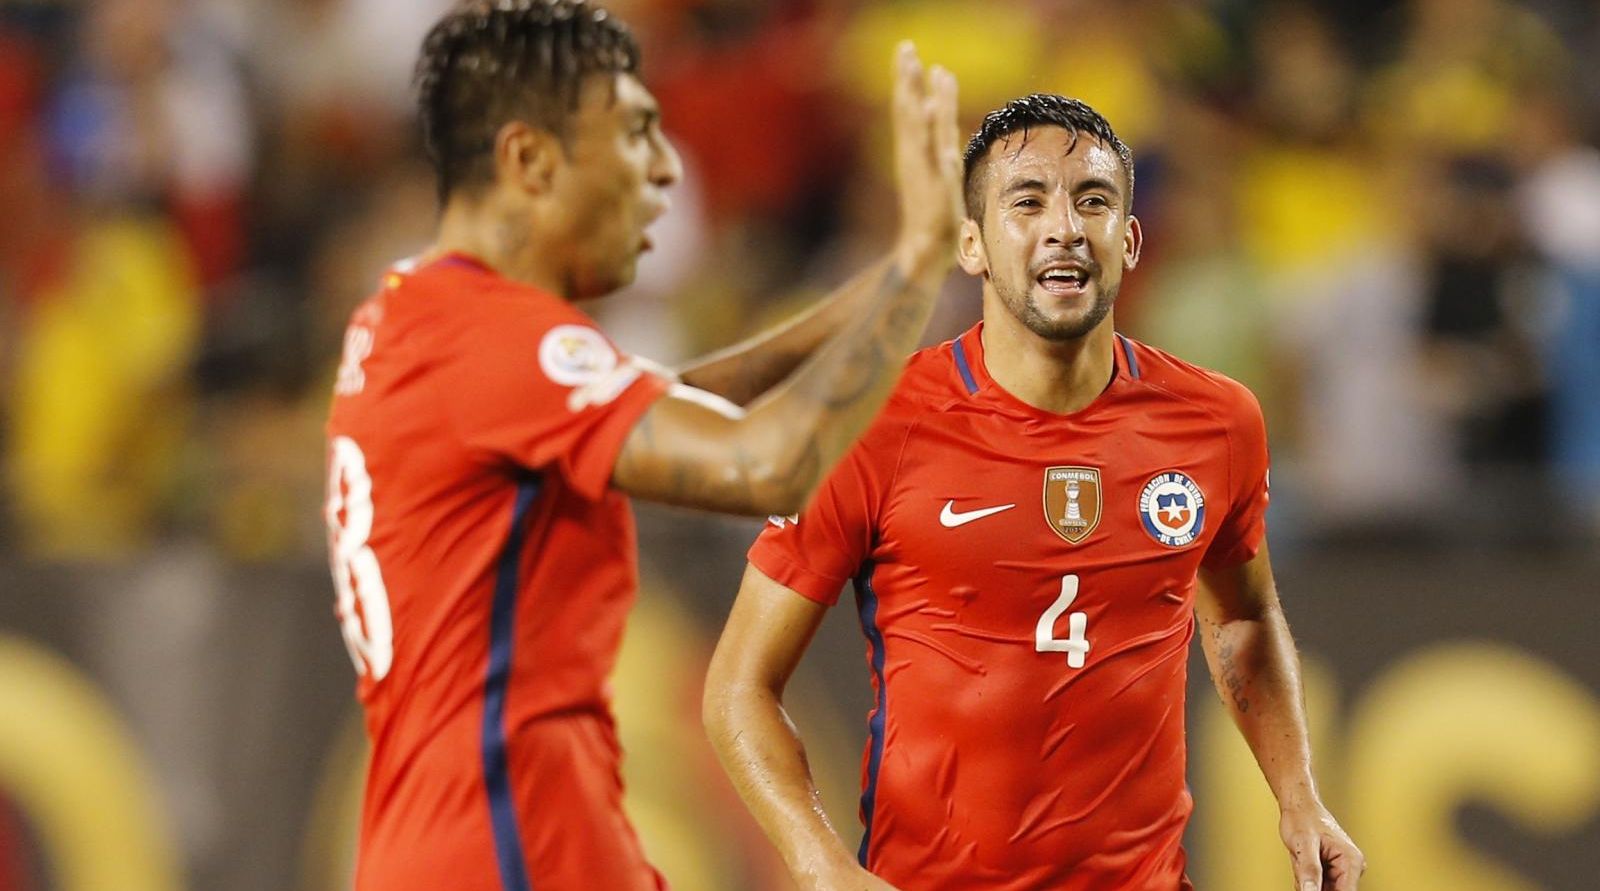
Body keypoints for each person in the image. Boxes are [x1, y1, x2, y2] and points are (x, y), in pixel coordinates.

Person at [322, 1, 963, 888]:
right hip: (507, 850)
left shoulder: (413, 317)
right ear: (529, 160)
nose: (664, 167)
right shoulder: (495, 340)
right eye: (632, 133)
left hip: (470, 837)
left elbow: (663, 401)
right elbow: (766, 462)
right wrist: (920, 268)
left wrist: (888, 283)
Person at [704, 94, 1366, 891]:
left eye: (1093, 200)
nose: (1065, 227)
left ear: (1129, 239)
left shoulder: (1217, 421)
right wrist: (820, 864)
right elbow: (739, 687)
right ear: (972, 245)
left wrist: (1300, 798)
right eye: (1027, 202)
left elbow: (1245, 618)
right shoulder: (870, 425)